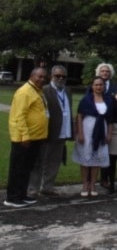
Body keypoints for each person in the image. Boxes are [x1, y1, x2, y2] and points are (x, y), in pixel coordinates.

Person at [5, 67, 49, 208]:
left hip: (35, 137)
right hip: (24, 138)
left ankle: (22, 194)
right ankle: (12, 197)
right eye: (39, 76)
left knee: (26, 168)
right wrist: (24, 136)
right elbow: (19, 116)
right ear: (31, 76)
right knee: (18, 168)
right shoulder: (24, 92)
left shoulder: (37, 91)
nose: (42, 79)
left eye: (44, 77)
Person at [28, 65, 72, 198]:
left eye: (63, 76)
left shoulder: (68, 91)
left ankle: (47, 187)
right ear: (51, 76)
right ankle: (33, 189)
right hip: (48, 133)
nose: (60, 78)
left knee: (54, 162)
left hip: (62, 132)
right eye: (57, 76)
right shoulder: (45, 90)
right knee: (40, 162)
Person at [73, 76, 113, 197]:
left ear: (104, 86)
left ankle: (93, 184)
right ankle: (85, 184)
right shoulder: (86, 99)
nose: (98, 87)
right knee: (85, 158)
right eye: (96, 85)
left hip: (101, 131)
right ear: (92, 86)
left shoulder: (108, 100)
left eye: (101, 85)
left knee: (97, 158)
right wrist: (80, 133)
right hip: (87, 130)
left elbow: (110, 119)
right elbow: (79, 116)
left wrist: (109, 134)